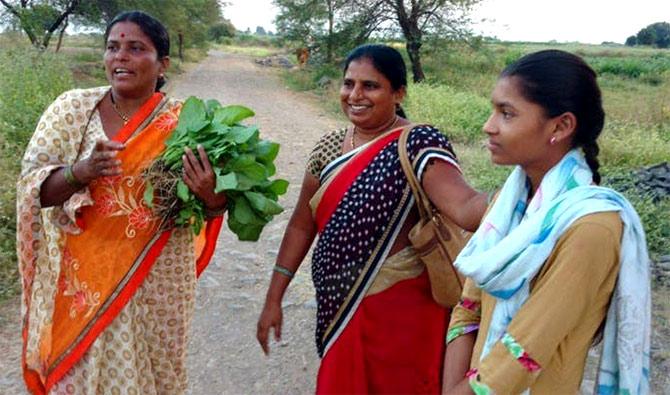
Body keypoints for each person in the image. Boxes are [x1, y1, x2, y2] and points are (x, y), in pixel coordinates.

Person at [256, 43, 488, 393]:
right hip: (341, 307)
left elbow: (466, 207)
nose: (355, 95)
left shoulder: (418, 143)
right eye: (349, 84)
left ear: (399, 92)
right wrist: (274, 297)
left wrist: (529, 196)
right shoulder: (329, 148)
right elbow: (302, 225)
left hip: (404, 313)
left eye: (371, 86)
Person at [17, 11, 227, 394]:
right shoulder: (72, 110)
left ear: (162, 63)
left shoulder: (188, 123)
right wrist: (82, 171)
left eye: (135, 48)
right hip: (81, 282)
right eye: (113, 47)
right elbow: (34, 189)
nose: (121, 57)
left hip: (158, 279)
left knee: (153, 377)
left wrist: (211, 197)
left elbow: (212, 206)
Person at [443, 50, 651, 394]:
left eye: (506, 113)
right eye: (493, 110)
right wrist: (450, 387)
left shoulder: (592, 227)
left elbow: (523, 350)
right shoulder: (506, 206)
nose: (488, 126)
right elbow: (469, 307)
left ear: (561, 126)